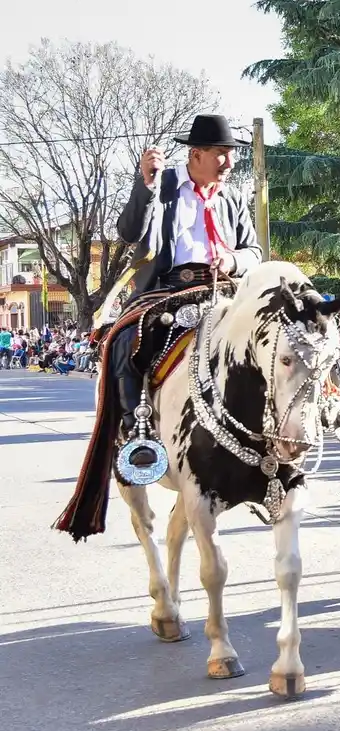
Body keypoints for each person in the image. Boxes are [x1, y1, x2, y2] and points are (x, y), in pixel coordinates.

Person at [111, 115, 262, 470]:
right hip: (166, 289)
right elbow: (129, 232)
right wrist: (144, 187)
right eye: (222, 154)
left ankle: (271, 423)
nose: (230, 163)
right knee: (125, 339)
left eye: (232, 154)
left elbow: (254, 252)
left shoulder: (234, 197)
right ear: (196, 154)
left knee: (273, 335)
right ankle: (136, 432)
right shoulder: (160, 186)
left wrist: (233, 259)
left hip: (223, 290)